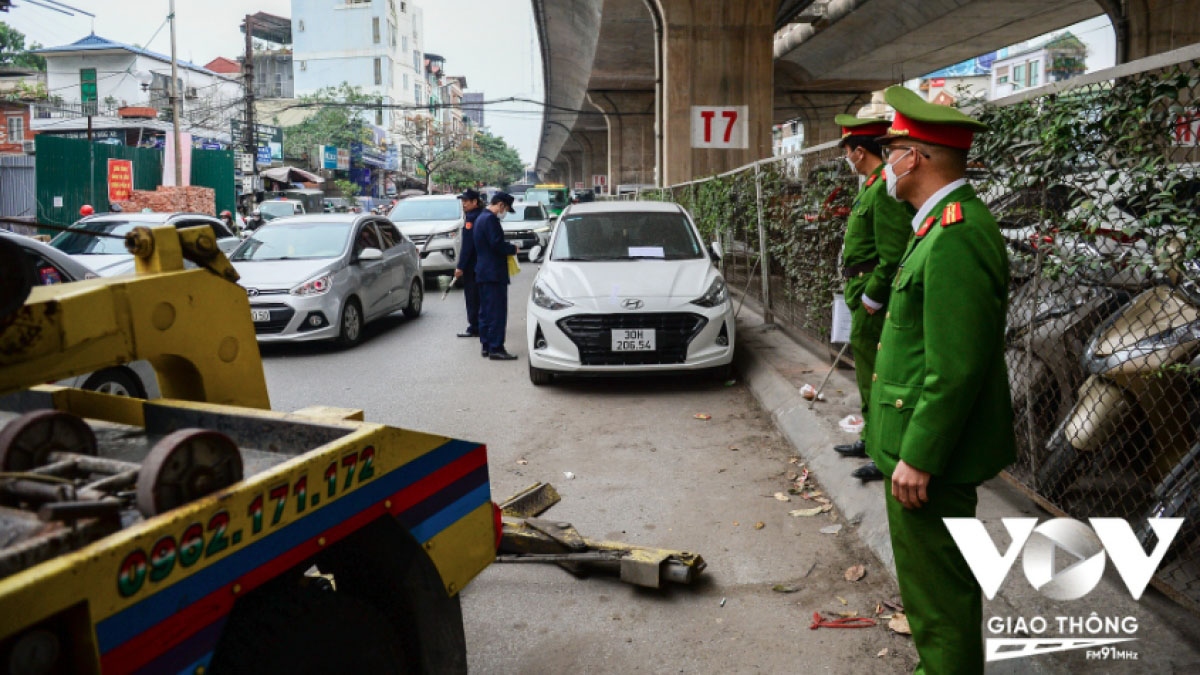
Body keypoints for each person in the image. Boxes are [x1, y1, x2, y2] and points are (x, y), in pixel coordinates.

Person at [868, 85, 1015, 674]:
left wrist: (920, 454)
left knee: (940, 601)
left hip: (931, 460)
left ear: (917, 158)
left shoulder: (957, 234)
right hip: (918, 450)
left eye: (893, 148)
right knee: (931, 593)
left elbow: (956, 365)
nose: (886, 163)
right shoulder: (935, 227)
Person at [831, 115, 915, 485]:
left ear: (859, 151)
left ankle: (884, 452)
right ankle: (871, 439)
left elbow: (893, 250)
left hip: (869, 292)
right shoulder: (872, 185)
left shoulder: (883, 188)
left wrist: (873, 295)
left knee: (877, 376)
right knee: (867, 372)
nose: (847, 159)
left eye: (847, 153)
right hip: (859, 288)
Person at [473, 192, 520, 360]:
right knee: (497, 312)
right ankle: (496, 347)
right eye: (505, 208)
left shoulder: (480, 218)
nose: (505, 212)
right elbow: (496, 244)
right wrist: (512, 248)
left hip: (483, 272)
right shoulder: (491, 220)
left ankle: (486, 345)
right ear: (500, 205)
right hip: (494, 272)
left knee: (486, 311)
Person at [453, 189, 484, 339]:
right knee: (480, 296)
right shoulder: (482, 215)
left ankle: (474, 326)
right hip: (482, 263)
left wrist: (460, 266)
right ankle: (481, 324)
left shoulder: (471, 219)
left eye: (466, 201)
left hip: (472, 265)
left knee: (472, 296)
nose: (463, 204)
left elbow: (468, 246)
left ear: (474, 202)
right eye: (462, 201)